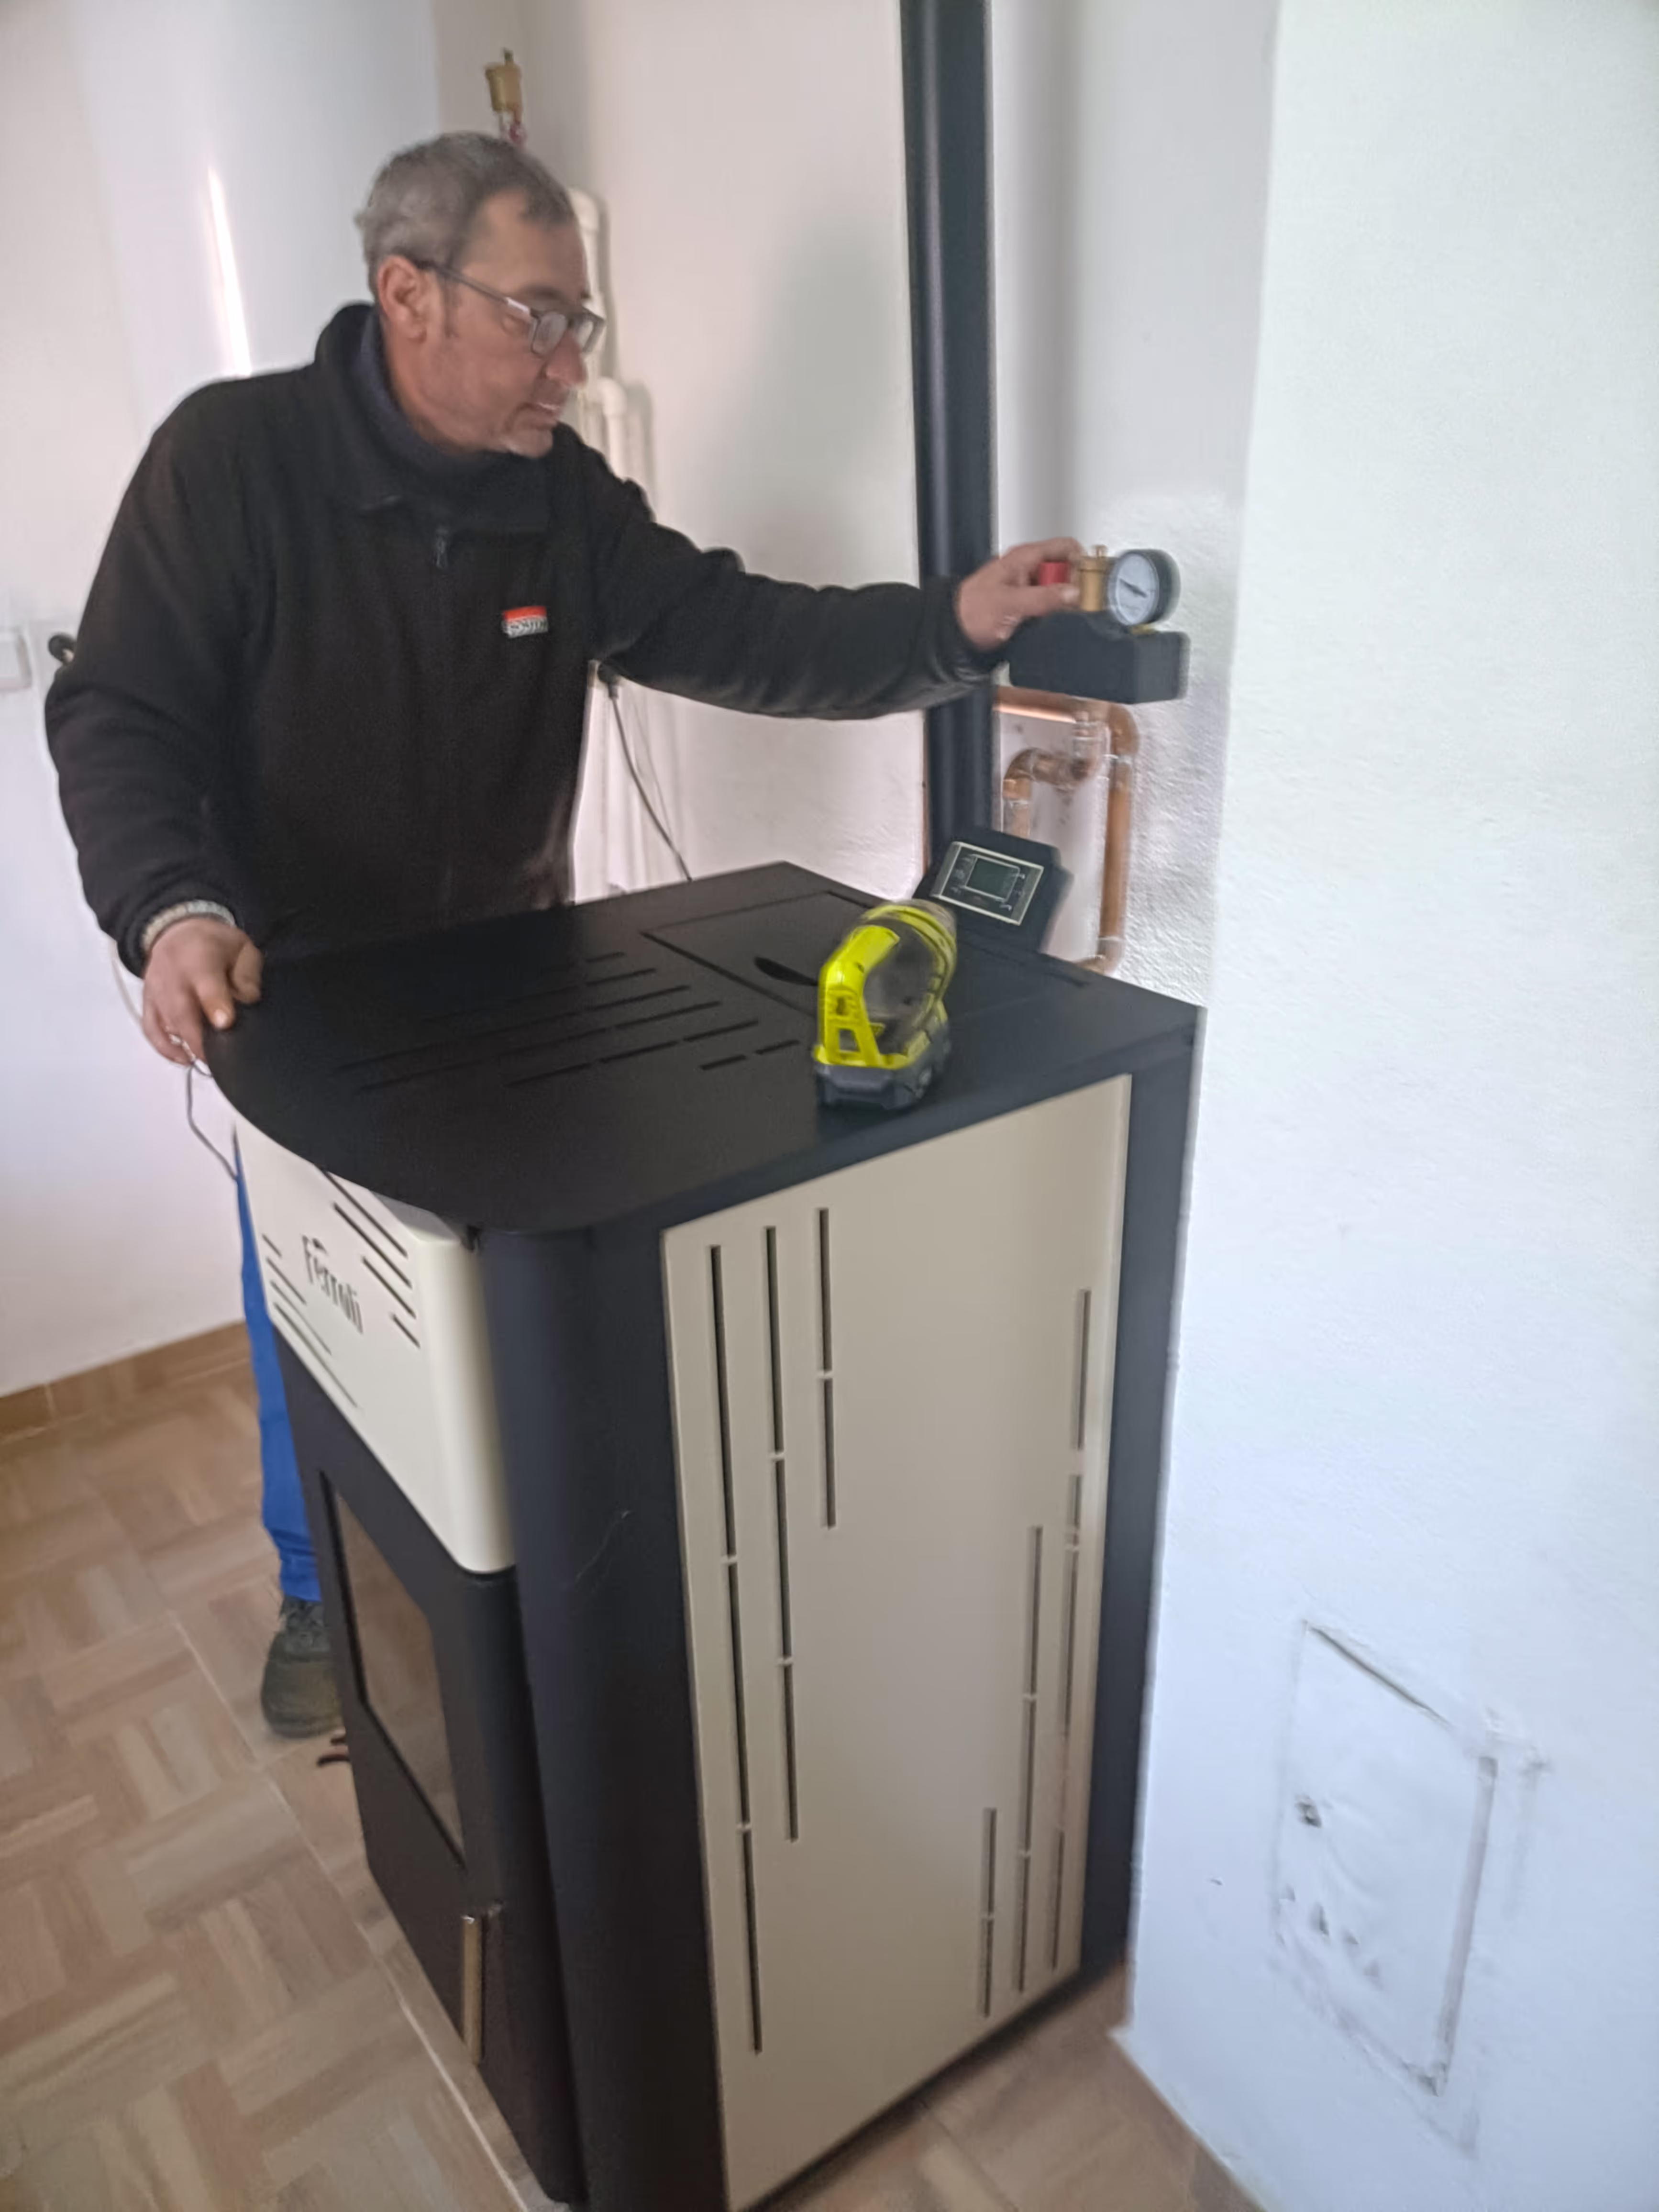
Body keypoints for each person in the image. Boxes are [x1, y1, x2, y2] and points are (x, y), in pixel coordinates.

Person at [47, 133, 1080, 1738]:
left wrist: (950, 628)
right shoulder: (231, 462)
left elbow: (744, 630)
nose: (571, 364)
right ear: (407, 295)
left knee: (490, 1304)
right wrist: (171, 909)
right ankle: (321, 1589)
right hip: (299, 992)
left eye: (580, 323)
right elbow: (121, 710)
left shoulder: (561, 502)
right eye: (540, 317)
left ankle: (502, 1579)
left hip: (510, 969)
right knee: (318, 1300)